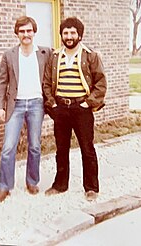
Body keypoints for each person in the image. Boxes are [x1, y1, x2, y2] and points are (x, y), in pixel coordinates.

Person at [43, 17, 107, 201]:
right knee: (61, 149)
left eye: (72, 33)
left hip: (82, 109)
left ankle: (91, 188)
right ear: (61, 35)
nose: (69, 36)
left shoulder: (90, 55)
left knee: (87, 148)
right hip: (61, 109)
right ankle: (60, 185)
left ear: (79, 34)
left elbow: (101, 83)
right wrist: (53, 104)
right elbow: (47, 83)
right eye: (65, 33)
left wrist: (88, 103)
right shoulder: (55, 56)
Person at [0, 16, 51, 202]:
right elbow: (2, 82)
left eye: (29, 30)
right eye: (22, 31)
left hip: (37, 104)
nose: (26, 34)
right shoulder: (9, 55)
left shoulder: (45, 52)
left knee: (34, 145)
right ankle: (5, 186)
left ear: (34, 32)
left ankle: (32, 182)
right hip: (15, 105)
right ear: (17, 33)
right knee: (8, 147)